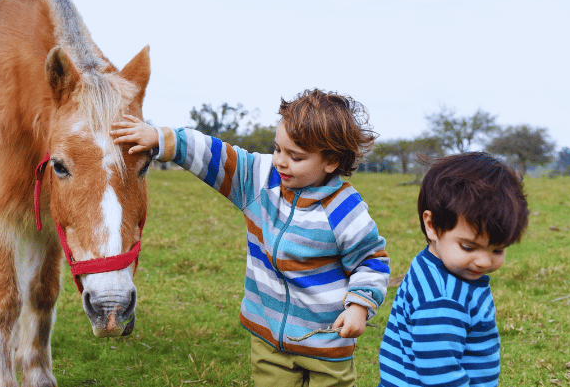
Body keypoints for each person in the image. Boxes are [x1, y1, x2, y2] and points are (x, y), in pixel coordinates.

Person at [112, 89, 390, 387]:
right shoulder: (260, 180)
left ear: (331, 161)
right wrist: (162, 139)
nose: (281, 161)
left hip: (326, 343)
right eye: (278, 149)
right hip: (268, 341)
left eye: (296, 157)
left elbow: (370, 262)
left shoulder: (344, 209)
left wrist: (359, 306)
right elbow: (216, 155)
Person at [379, 152, 529, 387]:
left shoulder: (429, 263)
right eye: (469, 247)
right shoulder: (444, 299)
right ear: (432, 226)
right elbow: (439, 373)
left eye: (498, 250)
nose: (483, 262)